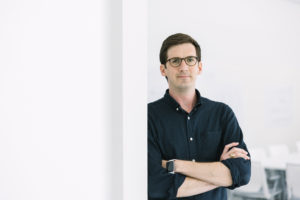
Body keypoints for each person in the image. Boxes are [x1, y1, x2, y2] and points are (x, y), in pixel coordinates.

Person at [148, 33, 251, 199]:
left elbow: (242, 173)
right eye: (175, 61)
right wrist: (220, 171)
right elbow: (156, 187)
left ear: (199, 67)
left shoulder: (222, 114)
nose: (183, 67)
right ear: (163, 69)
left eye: (190, 60)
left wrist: (175, 165)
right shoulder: (147, 117)